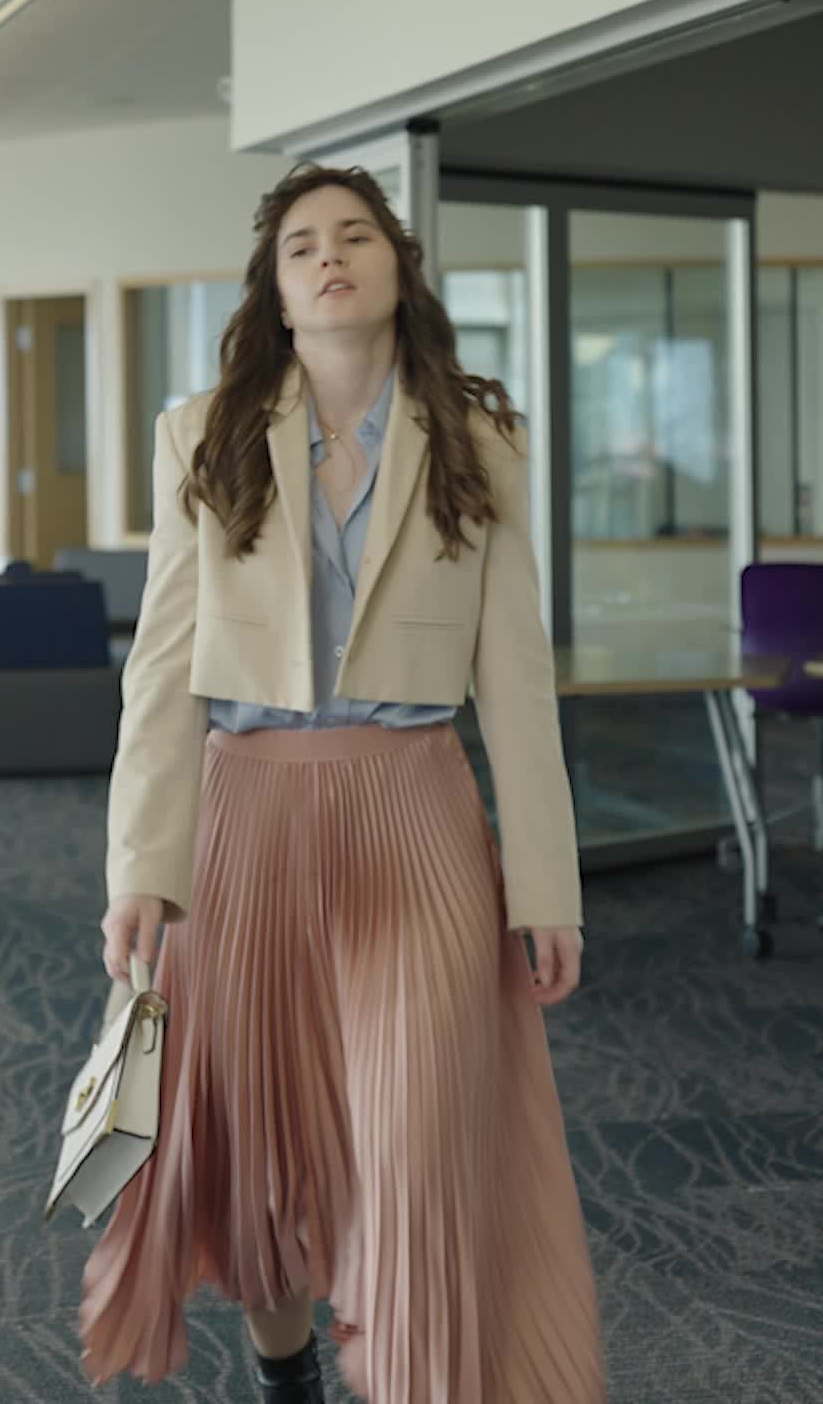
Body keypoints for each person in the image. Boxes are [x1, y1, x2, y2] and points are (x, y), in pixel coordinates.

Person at [78, 163, 606, 1403]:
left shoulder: (480, 440)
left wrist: (548, 888)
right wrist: (141, 870)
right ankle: (290, 1372)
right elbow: (162, 671)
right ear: (275, 288)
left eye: (356, 236)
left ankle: (418, 1372)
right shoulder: (201, 436)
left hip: (415, 815)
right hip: (244, 820)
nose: (330, 257)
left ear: (396, 269)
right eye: (303, 244)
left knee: (418, 1140)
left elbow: (517, 679)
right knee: (262, 1154)